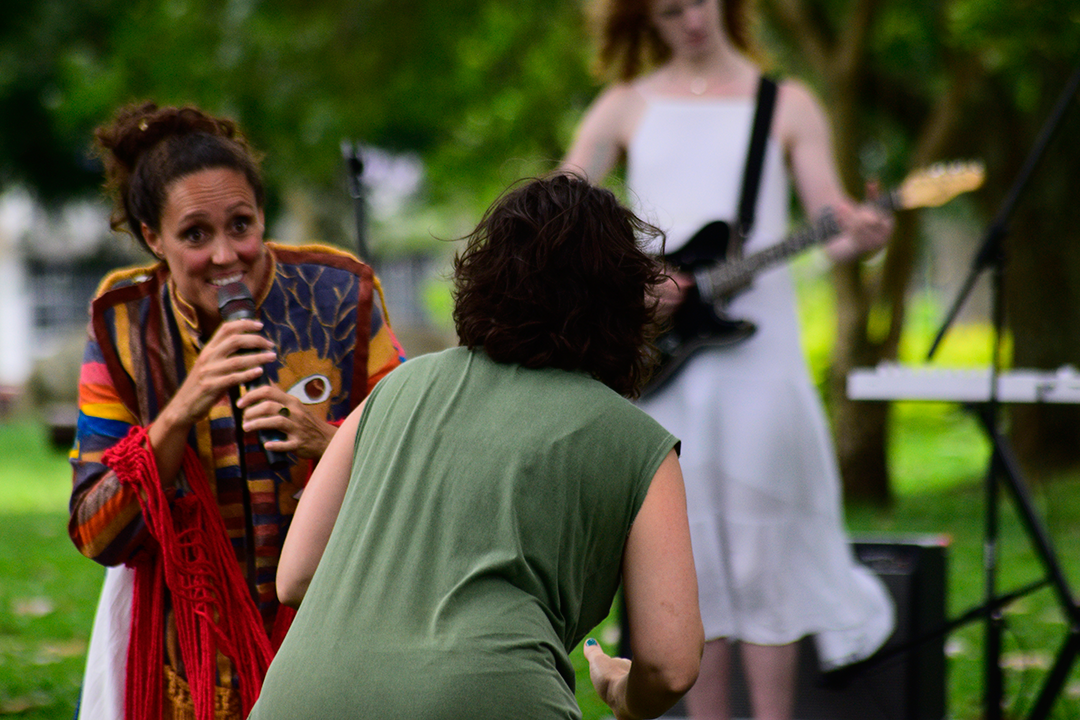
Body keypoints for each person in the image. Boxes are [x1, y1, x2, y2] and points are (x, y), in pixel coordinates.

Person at [247, 173, 704, 720]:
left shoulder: (396, 388)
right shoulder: (639, 444)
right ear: (625, 303)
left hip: (304, 697)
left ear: (486, 276)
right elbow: (671, 665)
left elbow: (296, 575)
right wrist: (625, 697)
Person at [561, 1, 896, 719]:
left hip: (761, 360)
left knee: (765, 553)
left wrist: (864, 235)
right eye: (670, 9)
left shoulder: (789, 103)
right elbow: (559, 212)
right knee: (689, 559)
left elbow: (833, 223)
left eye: (701, 0)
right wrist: (632, 279)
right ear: (645, 18)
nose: (692, 19)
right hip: (666, 364)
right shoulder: (624, 105)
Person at [68, 101, 406, 720]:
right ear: (153, 237)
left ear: (262, 216)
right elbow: (96, 532)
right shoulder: (123, 322)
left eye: (241, 225)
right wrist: (180, 411)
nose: (226, 255)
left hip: (332, 641)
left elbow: (421, 470)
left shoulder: (342, 294)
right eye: (195, 234)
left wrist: (329, 441)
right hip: (190, 661)